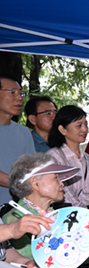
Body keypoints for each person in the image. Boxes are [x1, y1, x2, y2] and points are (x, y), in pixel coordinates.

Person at [46, 105, 89, 208]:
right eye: (79, 125)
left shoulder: (87, 158)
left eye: (86, 124)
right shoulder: (54, 156)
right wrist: (85, 212)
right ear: (63, 130)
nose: (84, 129)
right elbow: (65, 192)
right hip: (69, 211)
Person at [0, 75, 36, 205]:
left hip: (18, 207)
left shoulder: (24, 132)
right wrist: (23, 186)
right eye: (13, 92)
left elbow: (32, 168)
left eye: (20, 93)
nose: (20, 98)